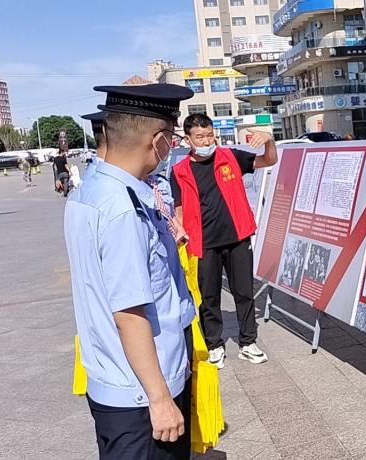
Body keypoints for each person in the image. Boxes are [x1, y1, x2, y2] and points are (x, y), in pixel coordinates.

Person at [64, 83, 196, 459]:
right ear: (159, 141)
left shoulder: (89, 191)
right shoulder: (124, 209)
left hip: (113, 380)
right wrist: (160, 399)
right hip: (140, 396)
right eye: (172, 138)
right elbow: (129, 313)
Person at [171, 114, 278, 368]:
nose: (206, 141)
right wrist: (180, 234)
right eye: (200, 137)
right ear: (188, 140)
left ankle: (248, 342)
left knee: (244, 292)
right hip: (203, 243)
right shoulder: (179, 171)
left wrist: (269, 141)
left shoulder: (231, 157)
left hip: (237, 237)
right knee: (208, 297)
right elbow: (178, 208)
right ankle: (214, 345)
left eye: (209, 135)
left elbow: (269, 160)